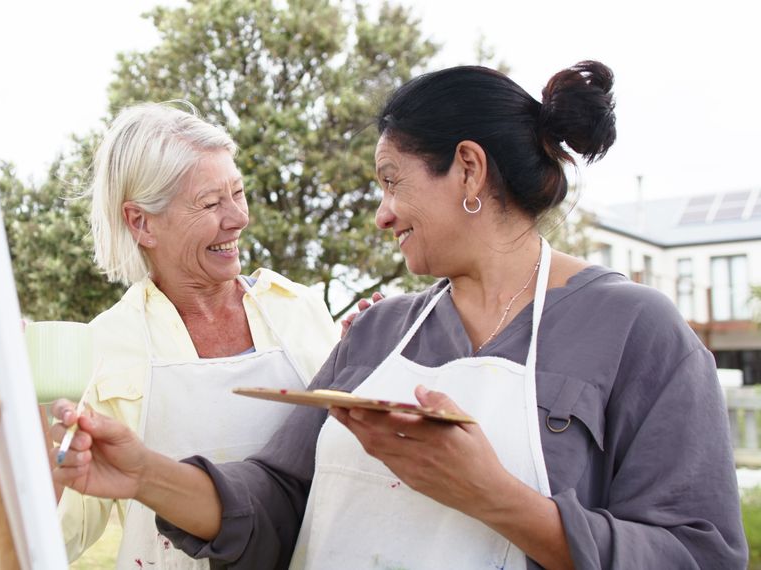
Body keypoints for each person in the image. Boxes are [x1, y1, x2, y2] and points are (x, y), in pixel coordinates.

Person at [51, 62, 748, 569]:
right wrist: (144, 473)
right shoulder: (382, 333)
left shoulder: (638, 333)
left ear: (469, 172)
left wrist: (497, 498)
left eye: (392, 183)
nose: (382, 213)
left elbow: (698, 554)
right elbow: (277, 499)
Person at [53, 102, 340, 567]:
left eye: (238, 193)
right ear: (141, 222)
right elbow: (60, 531)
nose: (238, 218)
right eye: (210, 203)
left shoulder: (299, 310)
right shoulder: (106, 345)